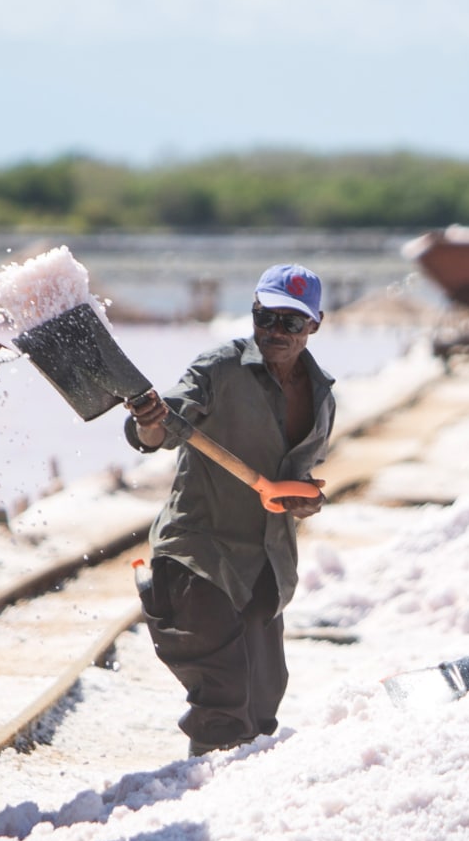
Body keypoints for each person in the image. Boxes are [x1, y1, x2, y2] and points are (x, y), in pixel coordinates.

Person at [123, 264, 336, 756]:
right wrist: (151, 420)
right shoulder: (219, 367)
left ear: (315, 325)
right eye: (266, 318)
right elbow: (158, 430)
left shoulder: (322, 394)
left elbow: (297, 483)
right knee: (223, 696)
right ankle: (205, 804)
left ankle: (246, 807)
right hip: (200, 553)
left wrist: (306, 500)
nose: (276, 333)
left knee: (262, 702)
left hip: (266, 561)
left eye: (292, 323)